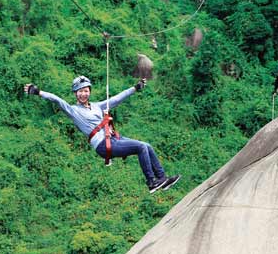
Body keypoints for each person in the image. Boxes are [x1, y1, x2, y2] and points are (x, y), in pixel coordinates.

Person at [24, 76, 180, 194]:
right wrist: (38, 92)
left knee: (147, 146)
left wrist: (135, 88)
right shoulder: (73, 110)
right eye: (80, 91)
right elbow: (57, 100)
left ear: (89, 92)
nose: (83, 94)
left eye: (86, 91)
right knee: (140, 147)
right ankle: (151, 182)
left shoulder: (98, 106)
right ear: (75, 94)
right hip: (102, 145)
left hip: (113, 139)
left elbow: (117, 98)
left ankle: (162, 178)